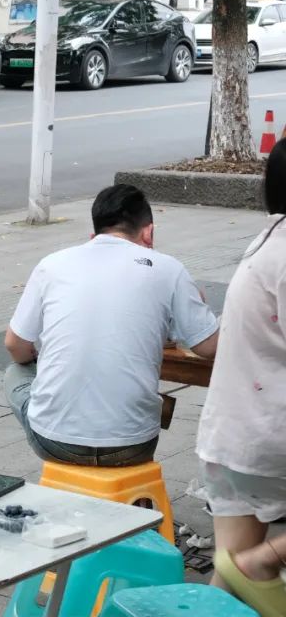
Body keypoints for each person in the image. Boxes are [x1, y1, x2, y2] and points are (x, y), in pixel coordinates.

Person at [4, 184, 218, 467]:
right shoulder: (169, 269)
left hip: (55, 442)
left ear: (93, 236)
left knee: (15, 373)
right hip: (133, 445)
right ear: (149, 232)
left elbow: (14, 346)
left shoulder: (52, 265)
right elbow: (208, 347)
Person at [197, 141, 286, 616]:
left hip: (229, 437)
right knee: (249, 563)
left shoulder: (270, 235)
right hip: (269, 437)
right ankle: (267, 558)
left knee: (226, 577)